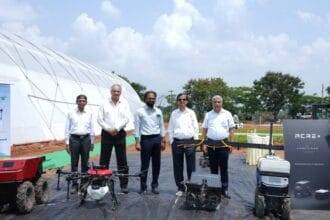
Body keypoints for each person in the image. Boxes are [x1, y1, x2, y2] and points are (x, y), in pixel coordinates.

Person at [97, 84, 134, 194]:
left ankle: (124, 185)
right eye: (114, 91)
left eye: (118, 91)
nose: (116, 93)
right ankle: (102, 183)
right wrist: (108, 129)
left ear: (120, 92)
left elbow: (126, 118)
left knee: (122, 159)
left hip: (120, 133)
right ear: (110, 91)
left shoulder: (125, 104)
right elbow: (99, 119)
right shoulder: (104, 103)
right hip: (107, 133)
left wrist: (117, 128)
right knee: (104, 159)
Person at [202, 95, 235, 199]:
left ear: (222, 103)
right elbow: (204, 129)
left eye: (219, 102)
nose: (217, 104)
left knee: (224, 168)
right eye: (215, 102)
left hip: (223, 145)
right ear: (212, 103)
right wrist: (204, 143)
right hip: (211, 145)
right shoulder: (208, 114)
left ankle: (224, 189)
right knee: (213, 168)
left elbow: (232, 129)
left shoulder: (227, 114)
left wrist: (231, 143)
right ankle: (214, 189)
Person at [134, 91, 166, 194]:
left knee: (157, 164)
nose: (151, 100)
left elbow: (161, 126)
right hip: (146, 140)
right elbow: (137, 128)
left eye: (153, 98)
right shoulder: (139, 111)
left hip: (157, 139)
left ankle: (155, 185)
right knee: (145, 165)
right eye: (149, 98)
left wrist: (163, 140)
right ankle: (143, 187)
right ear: (145, 99)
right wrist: (137, 142)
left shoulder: (158, 111)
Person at [168, 93, 199, 196]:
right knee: (178, 166)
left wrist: (195, 142)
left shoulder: (191, 113)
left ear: (187, 101)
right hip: (177, 142)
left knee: (191, 167)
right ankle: (180, 188)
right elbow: (170, 128)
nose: (182, 101)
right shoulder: (174, 113)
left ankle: (191, 188)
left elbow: (196, 128)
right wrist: (172, 141)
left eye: (184, 99)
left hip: (190, 142)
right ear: (177, 101)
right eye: (180, 99)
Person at [65, 94, 95, 193]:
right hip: (74, 139)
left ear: (86, 102)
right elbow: (67, 128)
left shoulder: (89, 113)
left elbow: (91, 128)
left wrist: (92, 141)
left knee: (85, 163)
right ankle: (74, 184)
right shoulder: (71, 113)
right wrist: (67, 142)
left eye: (83, 101)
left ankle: (84, 184)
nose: (81, 102)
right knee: (74, 163)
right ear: (76, 102)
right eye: (80, 100)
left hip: (86, 139)